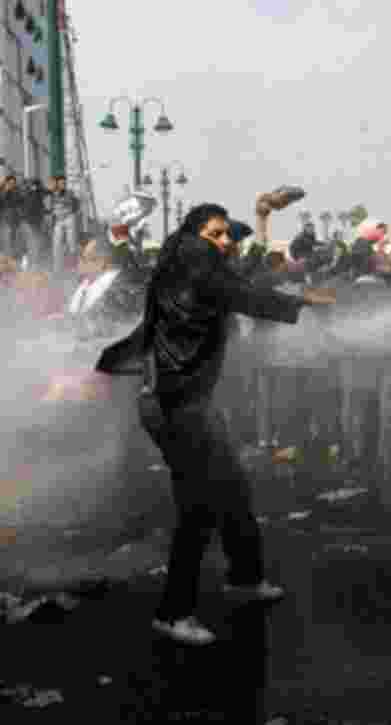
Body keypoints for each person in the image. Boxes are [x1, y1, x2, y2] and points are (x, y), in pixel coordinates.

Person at [94, 203, 335, 646]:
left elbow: (237, 284)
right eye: (217, 234)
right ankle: (173, 612)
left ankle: (245, 577)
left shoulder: (187, 266)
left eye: (227, 235)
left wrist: (261, 220)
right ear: (195, 235)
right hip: (174, 402)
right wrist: (299, 302)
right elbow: (240, 294)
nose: (225, 242)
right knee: (199, 503)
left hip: (190, 400)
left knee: (232, 489)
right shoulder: (194, 260)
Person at [45, 175, 80, 277]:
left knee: (71, 242)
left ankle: (74, 265)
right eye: (60, 183)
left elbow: (76, 205)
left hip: (68, 217)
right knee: (56, 243)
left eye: (64, 183)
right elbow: (49, 206)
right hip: (59, 220)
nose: (62, 185)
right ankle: (57, 269)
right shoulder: (52, 193)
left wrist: (71, 212)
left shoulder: (69, 193)